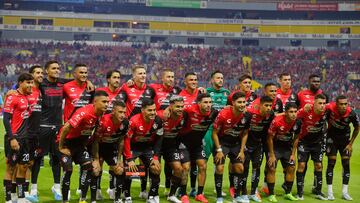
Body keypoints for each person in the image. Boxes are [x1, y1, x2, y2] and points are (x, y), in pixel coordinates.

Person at [57, 90, 109, 203]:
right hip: (67, 143)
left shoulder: (101, 116)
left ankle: (83, 199)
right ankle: (64, 200)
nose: (106, 104)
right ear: (95, 102)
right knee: (68, 170)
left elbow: (95, 140)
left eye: (108, 102)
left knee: (88, 167)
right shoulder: (84, 112)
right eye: (104, 102)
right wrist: (61, 147)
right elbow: (66, 127)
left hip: (80, 145)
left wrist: (95, 159)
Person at [178, 93, 218, 203]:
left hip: (197, 144)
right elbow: (176, 112)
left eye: (210, 102)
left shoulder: (214, 112)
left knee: (203, 166)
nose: (208, 105)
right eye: (205, 102)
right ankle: (183, 194)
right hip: (184, 143)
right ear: (198, 103)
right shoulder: (189, 110)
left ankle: (199, 194)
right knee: (186, 167)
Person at [212, 92, 251, 203]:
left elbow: (245, 133)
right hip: (222, 143)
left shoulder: (247, 115)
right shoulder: (223, 114)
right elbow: (214, 133)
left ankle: (236, 196)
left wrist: (242, 150)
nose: (242, 104)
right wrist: (219, 150)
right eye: (239, 102)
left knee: (240, 168)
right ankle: (219, 197)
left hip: (235, 144)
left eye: (244, 102)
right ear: (233, 103)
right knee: (220, 168)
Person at [123, 99, 163, 203]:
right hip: (133, 148)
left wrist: (156, 157)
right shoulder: (134, 121)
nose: (153, 112)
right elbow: (126, 140)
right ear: (143, 110)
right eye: (150, 110)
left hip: (147, 148)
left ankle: (151, 197)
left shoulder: (158, 121)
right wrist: (129, 159)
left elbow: (159, 139)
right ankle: (127, 196)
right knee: (129, 169)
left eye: (154, 110)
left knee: (156, 168)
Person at [3, 73, 34, 203]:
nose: (31, 85)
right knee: (11, 168)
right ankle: (8, 198)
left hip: (25, 139)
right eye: (28, 83)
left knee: (23, 167)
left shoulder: (26, 97)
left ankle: (20, 198)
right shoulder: (13, 97)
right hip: (14, 139)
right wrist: (12, 138)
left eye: (31, 83)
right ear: (20, 83)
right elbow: (6, 119)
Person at [91, 100, 129, 203]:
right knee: (96, 170)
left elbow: (121, 140)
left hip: (111, 148)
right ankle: (93, 199)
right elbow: (95, 142)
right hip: (99, 147)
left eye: (124, 112)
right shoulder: (103, 121)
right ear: (113, 111)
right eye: (120, 112)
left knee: (120, 170)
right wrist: (96, 159)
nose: (122, 115)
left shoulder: (125, 122)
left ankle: (117, 199)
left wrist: (119, 159)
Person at [325, 95, 359, 201]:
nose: (344, 106)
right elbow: (321, 118)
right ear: (336, 104)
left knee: (346, 164)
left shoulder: (352, 113)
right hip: (332, 140)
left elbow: (357, 128)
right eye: (341, 104)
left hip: (345, 141)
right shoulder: (329, 108)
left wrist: (350, 144)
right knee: (331, 163)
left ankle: (345, 192)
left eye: (346, 104)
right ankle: (330, 193)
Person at [295, 94, 328, 200]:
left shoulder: (327, 111)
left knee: (318, 166)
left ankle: (318, 191)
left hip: (317, 143)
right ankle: (299, 193)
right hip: (303, 142)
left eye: (324, 103)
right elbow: (293, 116)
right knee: (301, 165)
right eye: (320, 103)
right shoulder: (306, 110)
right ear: (314, 103)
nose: (322, 106)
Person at [266, 102, 301, 202]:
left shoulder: (297, 122)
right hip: (275, 148)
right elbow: (270, 138)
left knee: (291, 168)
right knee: (272, 168)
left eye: (295, 112)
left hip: (287, 148)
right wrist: (272, 154)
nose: (294, 114)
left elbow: (296, 138)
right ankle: (271, 194)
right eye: (291, 112)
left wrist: (293, 154)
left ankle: (288, 193)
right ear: (285, 113)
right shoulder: (276, 121)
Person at [203, 70, 230, 197]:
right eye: (218, 78)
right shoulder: (205, 92)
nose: (220, 80)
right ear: (212, 80)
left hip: (221, 132)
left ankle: (217, 188)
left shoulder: (227, 93)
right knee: (202, 160)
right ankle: (197, 188)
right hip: (208, 130)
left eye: (222, 78)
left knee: (219, 160)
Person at [243, 96, 274, 203]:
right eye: (266, 105)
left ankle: (253, 192)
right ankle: (243, 193)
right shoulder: (249, 114)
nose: (269, 108)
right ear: (259, 105)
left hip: (258, 145)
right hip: (246, 145)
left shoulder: (271, 115)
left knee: (257, 167)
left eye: (270, 105)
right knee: (245, 168)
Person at [158, 95, 186, 203]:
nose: (180, 109)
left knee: (178, 169)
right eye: (177, 106)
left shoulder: (184, 115)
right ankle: (152, 195)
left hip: (171, 146)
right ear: (170, 106)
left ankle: (172, 195)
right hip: (158, 146)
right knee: (155, 169)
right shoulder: (161, 116)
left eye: (182, 106)